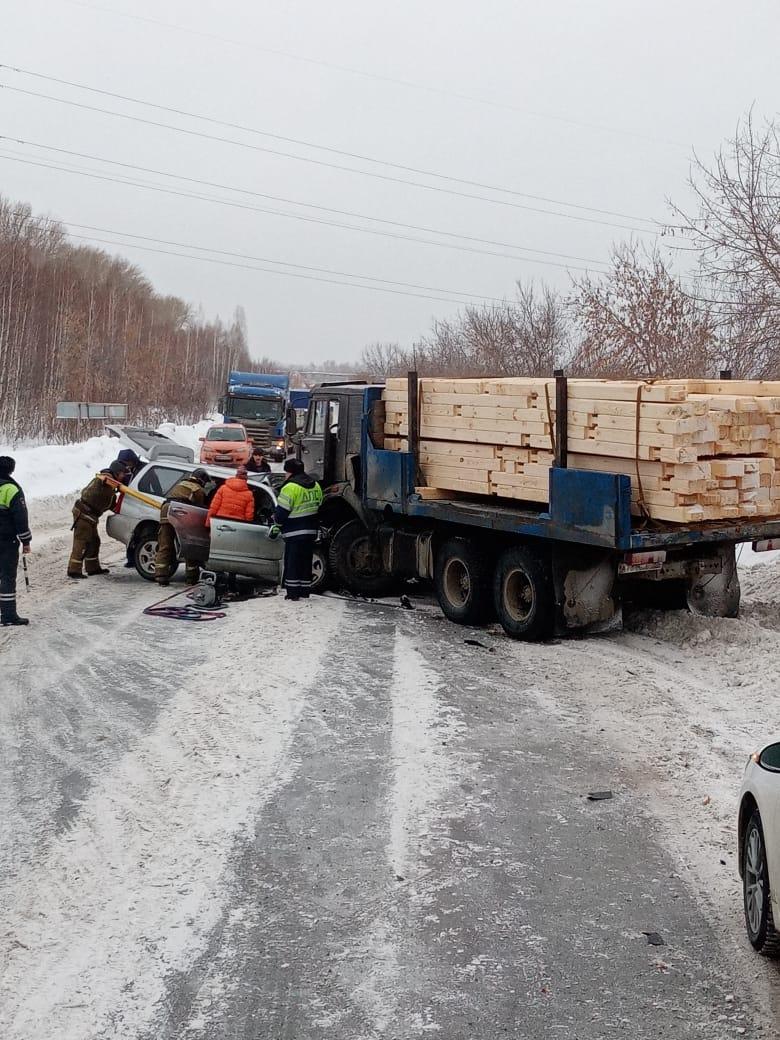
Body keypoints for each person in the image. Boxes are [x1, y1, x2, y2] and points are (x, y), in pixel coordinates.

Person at [270, 457, 322, 601]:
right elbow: (319, 505)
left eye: (286, 472)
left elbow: (282, 513)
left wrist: (276, 524)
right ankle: (304, 591)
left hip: (294, 532)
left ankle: (292, 593)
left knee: (293, 562)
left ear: (290, 472)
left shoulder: (290, 487)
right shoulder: (315, 485)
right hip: (311, 531)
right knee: (306, 562)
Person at [67, 460, 127, 579]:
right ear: (117, 472)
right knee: (81, 542)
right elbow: (98, 489)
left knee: (94, 541)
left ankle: (92, 568)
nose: (124, 476)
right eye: (122, 473)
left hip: (91, 517)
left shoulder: (110, 484)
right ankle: (74, 570)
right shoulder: (104, 480)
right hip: (84, 514)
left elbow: (109, 502)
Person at [154, 468, 210, 587]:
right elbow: (199, 509)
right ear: (202, 480)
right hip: (182, 514)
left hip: (166, 510)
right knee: (189, 544)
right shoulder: (197, 489)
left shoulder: (181, 483)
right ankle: (192, 577)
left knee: (165, 544)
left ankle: (161, 575)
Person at [0, 456, 32, 626]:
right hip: (5, 541)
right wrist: (26, 540)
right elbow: (20, 518)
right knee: (6, 577)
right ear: (11, 470)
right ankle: (8, 616)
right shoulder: (11, 489)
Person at [117, 449, 143, 568]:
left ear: (132, 461)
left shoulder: (142, 470)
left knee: (136, 534)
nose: (125, 466)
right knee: (130, 534)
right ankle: (131, 559)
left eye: (126, 463)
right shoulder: (130, 471)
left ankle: (133, 558)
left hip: (140, 506)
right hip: (131, 505)